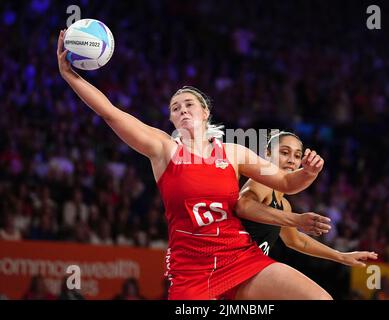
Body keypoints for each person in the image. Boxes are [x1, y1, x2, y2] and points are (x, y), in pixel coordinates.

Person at [57, 30, 332, 300]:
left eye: (189, 104)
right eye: (175, 108)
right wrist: (70, 75)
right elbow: (110, 113)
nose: (182, 110)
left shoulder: (233, 152)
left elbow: (287, 183)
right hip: (191, 271)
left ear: (206, 113)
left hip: (239, 258)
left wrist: (308, 173)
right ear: (172, 120)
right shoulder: (163, 149)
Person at [236, 132, 379, 270]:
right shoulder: (261, 183)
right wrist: (296, 219)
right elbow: (243, 204)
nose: (292, 160)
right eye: (284, 153)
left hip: (249, 267)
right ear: (267, 154)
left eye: (297, 156)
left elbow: (296, 241)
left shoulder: (284, 205)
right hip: (234, 263)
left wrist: (341, 256)